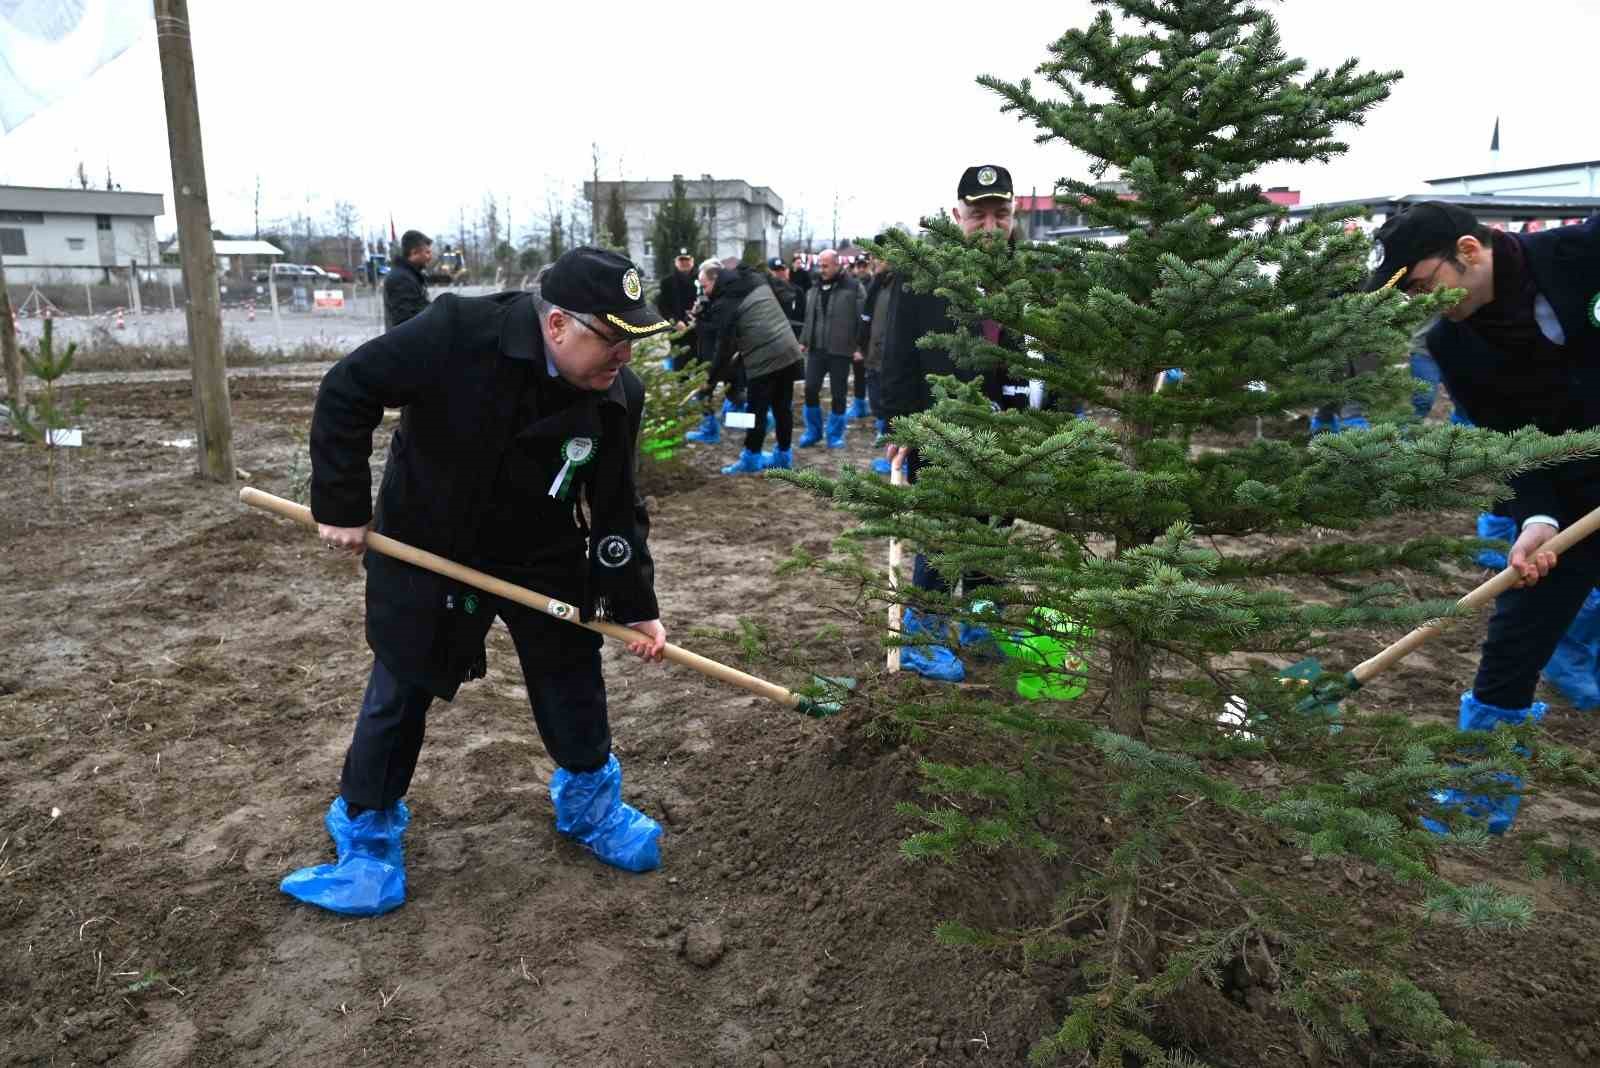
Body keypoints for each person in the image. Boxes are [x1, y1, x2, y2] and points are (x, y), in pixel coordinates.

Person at [286, 247, 673, 916]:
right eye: (612, 340)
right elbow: (349, 387)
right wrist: (342, 504)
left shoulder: (617, 393)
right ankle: (368, 842)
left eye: (632, 342)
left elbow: (615, 504)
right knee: (403, 682)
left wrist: (634, 602)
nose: (624, 357)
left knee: (571, 673)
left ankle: (591, 808)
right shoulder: (458, 333)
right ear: (557, 325)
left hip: (539, 546)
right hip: (429, 541)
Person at [1363, 201, 1600, 831]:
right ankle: (1479, 795)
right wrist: (1538, 518)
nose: (1420, 304)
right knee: (1514, 639)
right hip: (1576, 494)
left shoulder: (1585, 252)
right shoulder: (1453, 343)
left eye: (1421, 285)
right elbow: (1509, 442)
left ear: (1468, 251)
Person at [880, 164, 1033, 682]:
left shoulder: (1025, 274)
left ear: (1014, 214)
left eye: (1000, 214)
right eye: (977, 215)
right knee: (944, 533)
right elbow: (896, 352)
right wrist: (898, 422)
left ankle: (980, 623)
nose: (990, 226)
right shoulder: (923, 275)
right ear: (956, 214)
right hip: (938, 427)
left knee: (994, 531)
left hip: (1009, 430)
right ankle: (922, 636)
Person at [696, 260, 805, 473]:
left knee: (756, 411)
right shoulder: (752, 277)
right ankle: (783, 457)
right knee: (783, 407)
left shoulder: (726, 302)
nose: (704, 291)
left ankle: (751, 458)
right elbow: (786, 295)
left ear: (715, 279)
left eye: (705, 286)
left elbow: (724, 348)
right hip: (788, 348)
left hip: (763, 358)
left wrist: (710, 382)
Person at [798, 248, 864, 449]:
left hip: (841, 350)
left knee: (838, 393)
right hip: (816, 349)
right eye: (820, 265)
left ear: (837, 264)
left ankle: (834, 435)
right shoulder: (814, 287)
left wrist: (859, 346)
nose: (822, 269)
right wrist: (804, 340)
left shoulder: (853, 287)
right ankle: (813, 431)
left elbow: (862, 319)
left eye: (826, 265)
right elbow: (809, 317)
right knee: (810, 389)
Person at [857, 241, 896, 473]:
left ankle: (895, 459)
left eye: (879, 257)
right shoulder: (878, 285)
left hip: (889, 359)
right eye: (873, 256)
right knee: (879, 405)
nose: (874, 261)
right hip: (874, 356)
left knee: (892, 407)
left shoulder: (898, 287)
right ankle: (886, 441)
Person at [383, 230, 433, 329]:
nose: (430, 257)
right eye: (427, 252)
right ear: (414, 253)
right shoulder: (401, 279)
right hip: (405, 338)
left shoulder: (410, 275)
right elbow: (406, 319)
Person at [766, 256, 805, 339]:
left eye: (783, 269)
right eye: (777, 270)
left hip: (795, 335)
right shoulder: (767, 292)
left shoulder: (798, 291)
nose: (781, 273)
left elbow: (803, 315)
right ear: (770, 272)